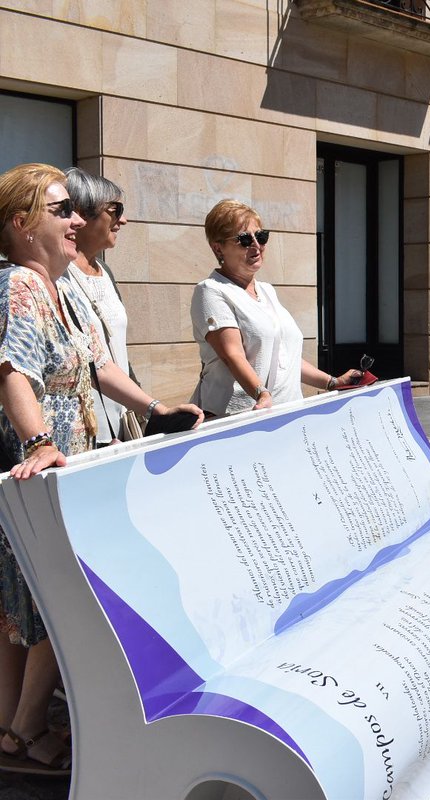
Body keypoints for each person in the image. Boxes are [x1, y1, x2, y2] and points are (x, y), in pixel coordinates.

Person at [0, 163, 203, 774]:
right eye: (62, 210)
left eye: (76, 210)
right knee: (59, 600)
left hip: (67, 464)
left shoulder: (64, 288)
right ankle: (27, 730)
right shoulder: (20, 287)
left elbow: (101, 369)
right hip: (42, 467)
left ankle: (12, 729)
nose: (78, 220)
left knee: (25, 607)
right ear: (19, 223)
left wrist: (158, 410)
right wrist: (38, 441)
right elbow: (13, 370)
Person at [189, 199, 358, 418]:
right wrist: (262, 394)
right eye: (244, 239)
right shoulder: (211, 291)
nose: (256, 245)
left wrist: (332, 382)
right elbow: (232, 355)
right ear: (218, 247)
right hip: (239, 417)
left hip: (286, 413)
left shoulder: (267, 291)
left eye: (261, 236)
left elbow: (284, 359)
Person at [63, 167, 134, 444]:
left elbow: (117, 349)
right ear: (81, 212)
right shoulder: (57, 275)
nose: (123, 220)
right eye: (114, 210)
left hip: (121, 423)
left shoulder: (105, 272)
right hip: (83, 429)